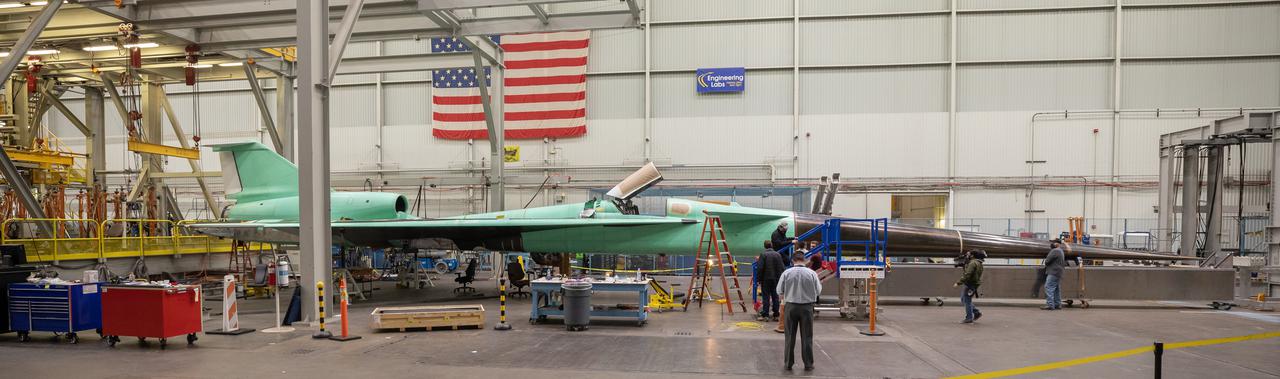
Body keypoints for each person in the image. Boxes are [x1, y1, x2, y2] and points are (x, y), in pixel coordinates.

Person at [777, 251, 821, 371]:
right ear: (805, 260)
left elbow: (779, 290)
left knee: (789, 336)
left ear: (792, 261)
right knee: (807, 336)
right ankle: (808, 364)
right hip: (807, 307)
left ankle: (788, 363)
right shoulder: (812, 273)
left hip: (791, 306)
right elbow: (818, 291)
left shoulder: (786, 273)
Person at [756, 241, 786, 322]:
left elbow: (760, 268)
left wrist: (758, 279)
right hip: (776, 279)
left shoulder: (763, 255)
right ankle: (776, 314)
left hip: (766, 279)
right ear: (772, 245)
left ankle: (765, 315)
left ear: (765, 246)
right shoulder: (778, 254)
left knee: (766, 296)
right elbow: (782, 268)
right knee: (775, 296)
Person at [954, 249, 985, 324]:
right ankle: (976, 312)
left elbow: (968, 274)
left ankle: (969, 318)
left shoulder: (973, 263)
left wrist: (958, 283)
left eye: (970, 254)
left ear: (973, 256)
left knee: (967, 301)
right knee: (963, 299)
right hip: (972, 284)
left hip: (970, 284)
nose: (968, 255)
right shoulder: (978, 262)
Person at [1042, 240, 1067, 310]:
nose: (1052, 244)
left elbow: (1047, 261)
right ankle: (1057, 304)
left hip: (1053, 272)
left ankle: (1050, 305)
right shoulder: (1061, 251)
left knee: (1048, 287)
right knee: (1056, 289)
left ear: (1058, 244)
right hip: (1058, 272)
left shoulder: (1054, 251)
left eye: (1053, 242)